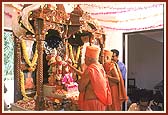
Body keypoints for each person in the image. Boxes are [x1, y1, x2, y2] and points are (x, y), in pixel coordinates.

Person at [68, 46, 112, 111]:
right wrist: (72, 68)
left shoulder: (90, 69)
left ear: (89, 59)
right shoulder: (99, 67)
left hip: (92, 104)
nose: (84, 59)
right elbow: (86, 76)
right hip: (100, 103)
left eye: (85, 57)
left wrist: (76, 81)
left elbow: (81, 88)